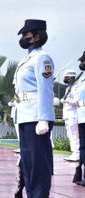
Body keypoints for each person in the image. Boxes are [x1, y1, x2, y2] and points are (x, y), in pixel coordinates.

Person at [15, 19, 55, 197]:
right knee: (28, 163)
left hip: (36, 116)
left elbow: (45, 89)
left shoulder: (42, 58)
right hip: (24, 115)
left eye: (26, 35)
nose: (23, 38)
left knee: (38, 163)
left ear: (37, 36)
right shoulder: (27, 58)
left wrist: (44, 118)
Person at [60, 70, 80, 162]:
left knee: (74, 135)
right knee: (70, 135)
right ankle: (74, 152)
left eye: (67, 77)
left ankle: (77, 153)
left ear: (72, 77)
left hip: (73, 114)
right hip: (67, 115)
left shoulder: (76, 88)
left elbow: (77, 102)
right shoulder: (68, 88)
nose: (65, 79)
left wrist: (67, 101)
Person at [73, 51, 85, 186]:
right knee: (83, 146)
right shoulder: (81, 78)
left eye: (83, 61)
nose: (81, 64)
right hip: (81, 115)